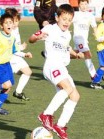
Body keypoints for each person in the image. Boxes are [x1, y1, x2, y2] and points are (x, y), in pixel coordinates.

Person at [28, 4, 84, 139]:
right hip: (52, 65)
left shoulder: (67, 35)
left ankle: (60, 125)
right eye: (64, 19)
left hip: (62, 67)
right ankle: (46, 114)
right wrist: (37, 37)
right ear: (57, 17)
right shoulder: (50, 28)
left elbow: (66, 48)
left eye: (69, 20)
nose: (67, 22)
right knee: (68, 88)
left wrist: (75, 54)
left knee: (75, 96)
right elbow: (31, 39)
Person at [0, 7, 32, 102]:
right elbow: (11, 47)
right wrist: (22, 49)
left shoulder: (15, 29)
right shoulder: (7, 32)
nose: (16, 23)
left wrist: (21, 49)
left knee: (27, 72)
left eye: (17, 21)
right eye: (14, 21)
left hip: (16, 57)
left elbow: (14, 46)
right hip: (9, 58)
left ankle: (18, 92)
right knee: (3, 82)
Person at [72, 0, 97, 80]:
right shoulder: (75, 14)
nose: (84, 6)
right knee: (87, 54)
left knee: (74, 55)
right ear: (79, 5)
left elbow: (94, 27)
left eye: (85, 4)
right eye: (82, 4)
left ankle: (59, 56)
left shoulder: (91, 16)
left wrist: (97, 35)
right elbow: (67, 22)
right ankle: (93, 75)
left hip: (84, 40)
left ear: (88, 4)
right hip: (78, 38)